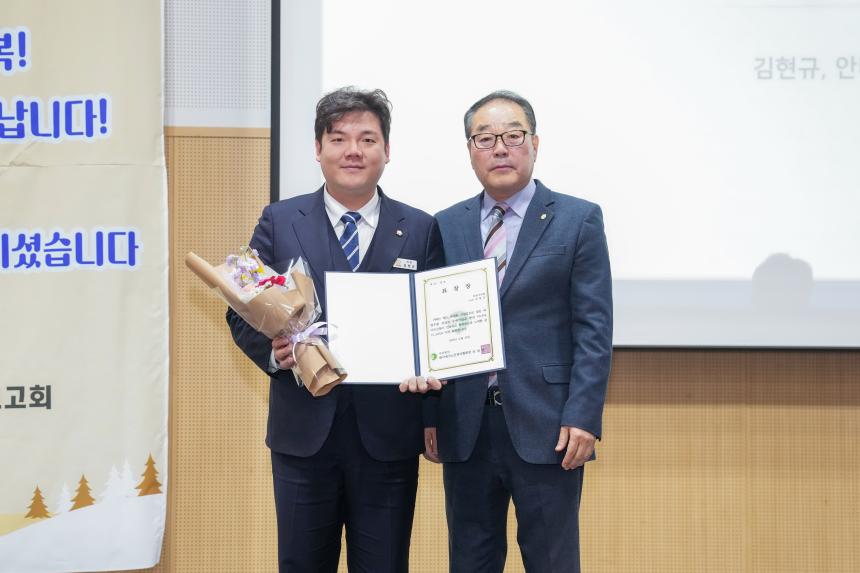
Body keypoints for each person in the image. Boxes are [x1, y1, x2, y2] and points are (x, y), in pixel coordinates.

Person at [227, 87, 443, 573]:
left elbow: (434, 330)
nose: (353, 150)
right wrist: (275, 353)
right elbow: (242, 308)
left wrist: (433, 411)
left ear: (387, 151)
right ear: (318, 148)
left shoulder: (423, 227)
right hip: (304, 438)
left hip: (388, 441)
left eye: (368, 139)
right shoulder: (280, 221)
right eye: (339, 138)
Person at [427, 90, 613, 572]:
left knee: (552, 561)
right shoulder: (446, 225)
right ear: (470, 150)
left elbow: (594, 326)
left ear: (534, 142)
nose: (500, 148)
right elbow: (430, 328)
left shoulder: (578, 218)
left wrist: (584, 415)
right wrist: (430, 415)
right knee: (470, 561)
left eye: (513, 135)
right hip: (467, 425)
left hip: (549, 425)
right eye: (485, 138)